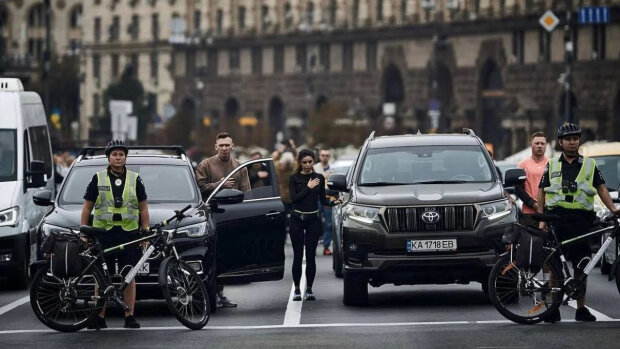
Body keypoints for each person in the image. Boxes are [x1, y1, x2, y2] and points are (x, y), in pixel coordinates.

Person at [537, 123, 619, 323]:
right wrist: (541, 219)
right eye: (568, 139)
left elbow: (601, 189)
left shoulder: (590, 165)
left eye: (575, 138)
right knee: (556, 266)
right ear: (561, 143)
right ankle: (553, 309)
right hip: (557, 220)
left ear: (578, 141)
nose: (572, 142)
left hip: (581, 221)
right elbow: (541, 190)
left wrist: (613, 210)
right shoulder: (552, 165)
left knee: (582, 266)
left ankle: (581, 309)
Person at [81, 140, 150, 329]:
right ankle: (99, 316)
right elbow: (87, 206)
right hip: (104, 234)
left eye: (121, 154)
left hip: (128, 233)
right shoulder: (98, 178)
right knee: (102, 277)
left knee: (129, 275)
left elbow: (143, 208)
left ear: (125, 157)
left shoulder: (135, 179)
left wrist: (145, 229)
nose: (118, 157)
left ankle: (129, 316)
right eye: (114, 154)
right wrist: (83, 230)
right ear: (108, 157)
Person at [195, 132, 250, 308]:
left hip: (232, 216)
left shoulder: (240, 166)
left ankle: (220, 293)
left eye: (227, 145)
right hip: (211, 216)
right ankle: (208, 294)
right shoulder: (206, 164)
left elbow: (246, 193)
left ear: (232, 146)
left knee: (226, 256)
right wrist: (219, 185)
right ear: (216, 147)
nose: (224, 148)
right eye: (221, 145)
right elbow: (198, 189)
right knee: (210, 256)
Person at [289, 149, 340, 301]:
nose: (308, 165)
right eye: (304, 162)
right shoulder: (294, 178)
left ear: (313, 161)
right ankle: (297, 289)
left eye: (310, 162)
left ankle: (309, 289)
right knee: (298, 256)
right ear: (299, 162)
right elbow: (294, 199)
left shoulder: (318, 177)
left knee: (311, 256)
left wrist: (333, 202)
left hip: (313, 220)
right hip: (297, 219)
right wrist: (308, 187)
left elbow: (323, 200)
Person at [515, 132, 549, 228]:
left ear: (546, 145)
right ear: (531, 145)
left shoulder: (552, 164)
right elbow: (518, 189)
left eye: (542, 144)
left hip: (548, 212)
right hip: (529, 212)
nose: (540, 146)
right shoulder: (522, 165)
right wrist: (533, 204)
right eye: (537, 143)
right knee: (529, 240)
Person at [313, 148, 336, 255]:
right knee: (314, 223)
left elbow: (335, 184)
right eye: (322, 155)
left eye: (327, 155)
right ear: (319, 156)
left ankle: (326, 247)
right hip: (316, 198)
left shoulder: (333, 169)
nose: (324, 157)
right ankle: (312, 246)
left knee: (328, 224)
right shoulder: (314, 168)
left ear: (329, 157)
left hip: (327, 198)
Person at [273, 139, 298, 220]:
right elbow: (298, 158)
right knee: (295, 218)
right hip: (294, 195)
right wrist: (293, 148)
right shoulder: (295, 166)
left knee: (284, 219)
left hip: (282, 196)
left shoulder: (278, 167)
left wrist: (280, 151)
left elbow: (273, 159)